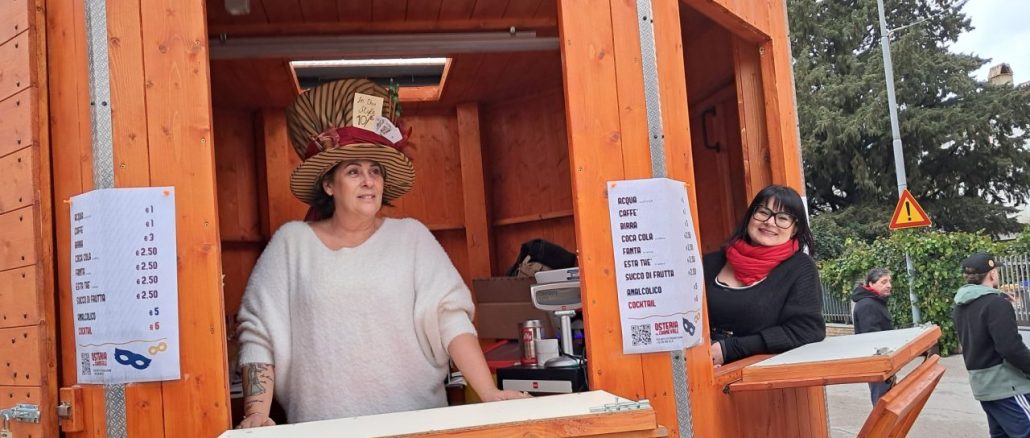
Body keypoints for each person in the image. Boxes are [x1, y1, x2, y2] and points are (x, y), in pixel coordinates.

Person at [235, 79, 528, 428]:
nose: (368, 180)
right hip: (323, 430)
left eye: (375, 171)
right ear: (328, 185)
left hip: (417, 427)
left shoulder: (412, 238)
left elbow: (450, 319)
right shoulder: (291, 244)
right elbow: (259, 331)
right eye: (353, 171)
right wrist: (256, 414)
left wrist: (488, 393)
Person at [705, 185, 825, 366]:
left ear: (794, 229)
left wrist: (731, 349)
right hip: (701, 369)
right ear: (750, 217)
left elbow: (807, 329)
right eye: (763, 212)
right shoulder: (711, 263)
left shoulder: (800, 267)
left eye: (782, 218)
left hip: (759, 374)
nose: (770, 222)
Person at [953, 252, 1030, 437]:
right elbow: (1010, 348)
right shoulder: (996, 304)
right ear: (992, 274)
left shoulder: (960, 304)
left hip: (982, 385)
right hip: (1006, 385)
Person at [852, 268, 895, 405]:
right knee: (882, 401)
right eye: (884, 282)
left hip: (883, 363)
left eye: (889, 281)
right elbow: (871, 339)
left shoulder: (875, 302)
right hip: (878, 365)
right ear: (871, 284)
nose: (889, 285)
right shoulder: (867, 305)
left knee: (887, 400)